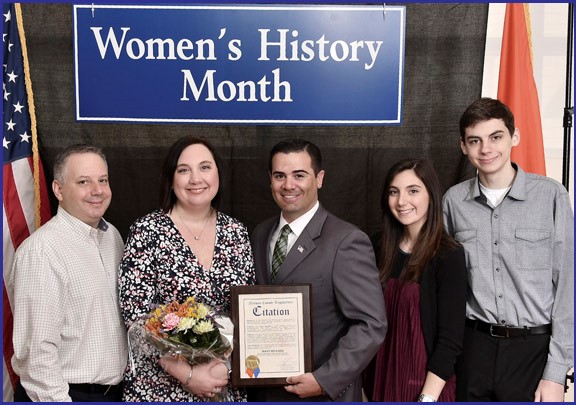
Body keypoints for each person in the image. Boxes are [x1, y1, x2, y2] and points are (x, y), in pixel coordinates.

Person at [443, 97, 574, 402]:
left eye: (496, 137)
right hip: (473, 348)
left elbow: (568, 286)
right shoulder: (452, 201)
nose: (486, 149)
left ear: (514, 137)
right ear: (463, 146)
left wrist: (556, 372)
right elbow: (445, 285)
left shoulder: (551, 195)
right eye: (475, 140)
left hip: (533, 351)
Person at [249, 138, 387, 402]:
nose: (288, 185)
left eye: (299, 175)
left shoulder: (346, 240)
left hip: (320, 395)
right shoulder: (260, 234)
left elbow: (371, 323)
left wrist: (326, 379)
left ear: (319, 178)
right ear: (270, 179)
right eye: (280, 175)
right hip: (265, 392)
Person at [119, 136, 255, 401]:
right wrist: (187, 374)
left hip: (224, 384)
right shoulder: (147, 231)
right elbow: (135, 318)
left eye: (205, 167)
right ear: (171, 178)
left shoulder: (236, 232)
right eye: (184, 170)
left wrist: (222, 367)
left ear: (218, 174)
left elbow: (245, 312)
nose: (196, 178)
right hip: (160, 387)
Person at [9, 144, 127, 402]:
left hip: (113, 393)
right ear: (58, 190)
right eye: (84, 181)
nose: (97, 191)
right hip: (64, 394)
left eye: (103, 180)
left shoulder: (113, 238)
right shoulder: (41, 252)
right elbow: (36, 353)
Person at [363, 158, 467, 402]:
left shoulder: (448, 255)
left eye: (413, 191)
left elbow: (449, 341)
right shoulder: (376, 245)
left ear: (430, 194)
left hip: (424, 385)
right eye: (394, 192)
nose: (402, 201)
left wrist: (426, 398)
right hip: (377, 379)